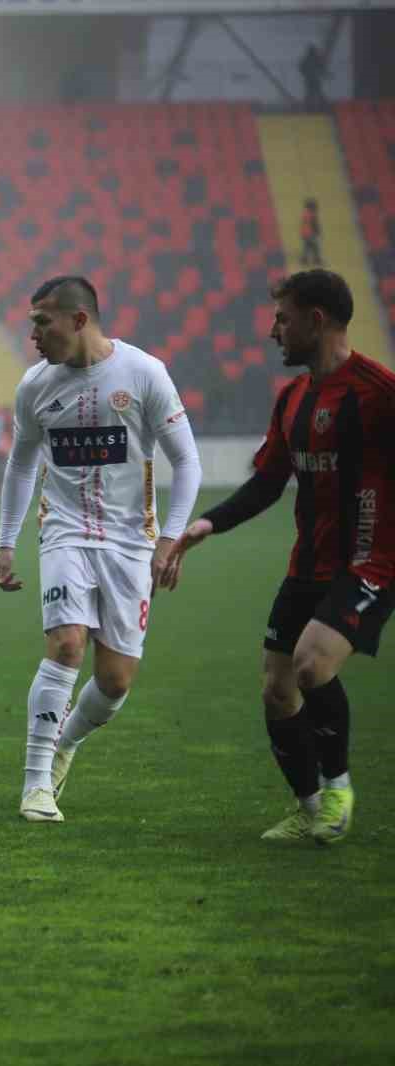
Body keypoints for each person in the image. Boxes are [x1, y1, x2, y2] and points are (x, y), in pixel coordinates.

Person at [166, 269, 394, 845]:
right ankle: (310, 805)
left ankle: (339, 787)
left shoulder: (378, 394)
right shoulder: (292, 399)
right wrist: (206, 525)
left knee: (312, 665)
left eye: (282, 319)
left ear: (316, 321)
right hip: (306, 566)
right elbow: (269, 483)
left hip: (369, 562)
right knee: (277, 688)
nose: (273, 332)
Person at [0, 275, 202, 823]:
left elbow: (187, 461)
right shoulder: (35, 386)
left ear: (79, 321)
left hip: (132, 542)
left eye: (43, 322)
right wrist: (7, 543)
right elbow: (20, 464)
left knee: (114, 682)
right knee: (65, 646)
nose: (33, 334)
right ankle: (35, 785)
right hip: (65, 531)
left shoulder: (144, 374)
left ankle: (66, 744)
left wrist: (170, 539)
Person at [300, 199, 323, 268]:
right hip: (311, 233)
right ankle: (316, 259)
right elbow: (314, 224)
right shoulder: (312, 214)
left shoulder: (305, 213)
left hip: (305, 233)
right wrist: (318, 232)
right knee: (315, 246)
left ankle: (305, 259)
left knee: (307, 247)